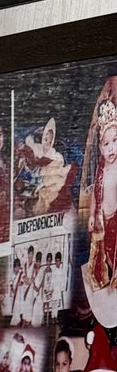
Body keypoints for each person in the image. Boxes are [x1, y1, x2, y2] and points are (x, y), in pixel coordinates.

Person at [78, 80, 117, 325]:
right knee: (104, 254)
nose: (111, 148)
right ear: (100, 147)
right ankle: (107, 281)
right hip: (103, 219)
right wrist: (92, 214)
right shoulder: (102, 167)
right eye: (106, 144)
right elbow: (96, 192)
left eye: (115, 141)